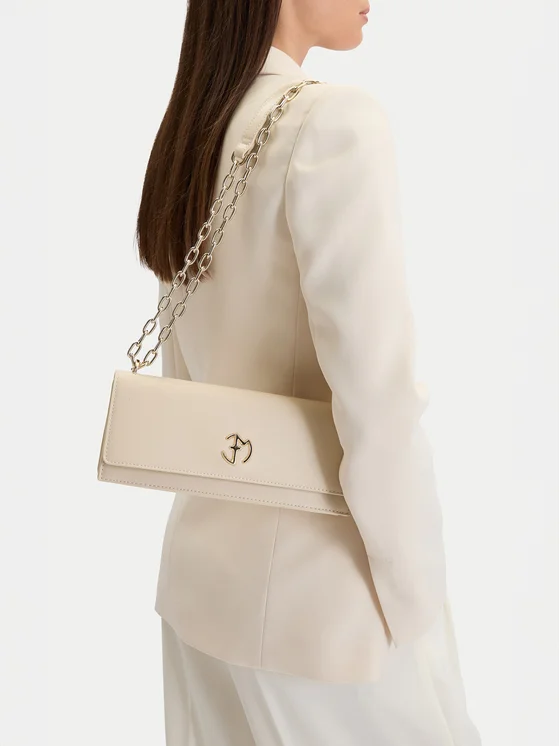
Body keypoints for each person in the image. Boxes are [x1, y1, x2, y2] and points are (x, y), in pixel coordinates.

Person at [135, 2, 483, 744]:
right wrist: (416, 601)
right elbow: (377, 399)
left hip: (201, 585)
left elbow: (186, 373)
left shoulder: (197, 131)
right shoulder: (333, 125)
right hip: (327, 613)